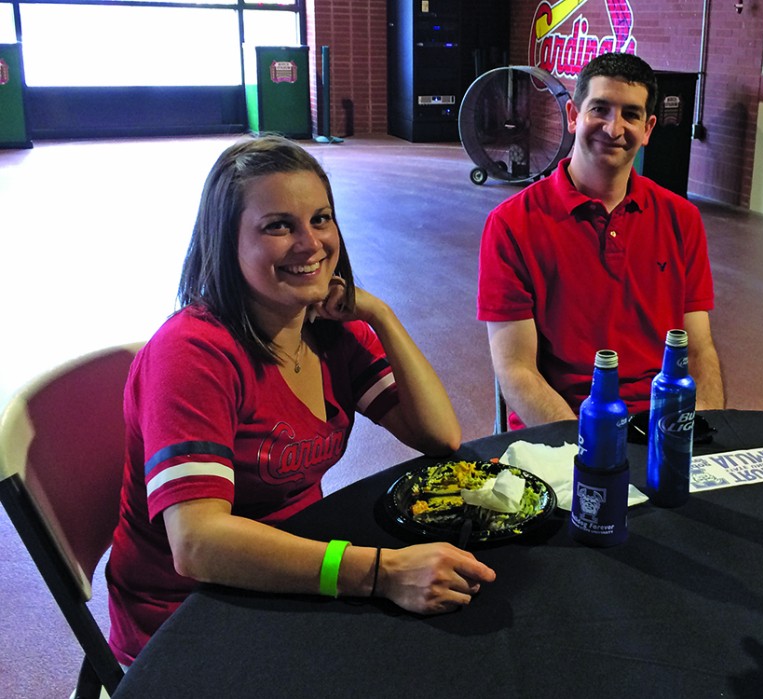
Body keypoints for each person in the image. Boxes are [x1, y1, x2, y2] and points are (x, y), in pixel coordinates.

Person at [107, 135, 495, 666]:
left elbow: (438, 434)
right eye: (278, 225)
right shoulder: (192, 354)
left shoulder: (327, 331)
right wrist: (380, 574)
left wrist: (380, 314)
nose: (310, 244)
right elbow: (197, 544)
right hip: (186, 612)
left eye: (321, 219)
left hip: (299, 568)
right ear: (227, 242)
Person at [477, 52, 725, 429]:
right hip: (563, 429)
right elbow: (517, 371)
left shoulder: (682, 220)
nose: (614, 128)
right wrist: (593, 451)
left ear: (649, 129)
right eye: (600, 109)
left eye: (631, 114)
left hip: (661, 426)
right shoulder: (512, 225)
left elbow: (699, 350)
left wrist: (702, 431)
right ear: (574, 116)